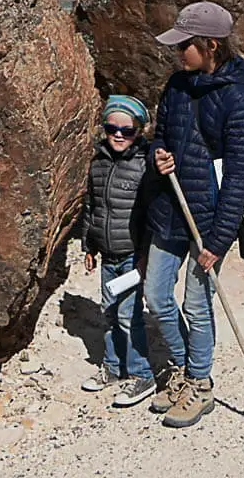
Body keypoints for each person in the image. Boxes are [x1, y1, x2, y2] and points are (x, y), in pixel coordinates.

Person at [143, 1, 244, 428]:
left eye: (185, 46)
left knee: (196, 303)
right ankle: (180, 368)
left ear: (211, 45)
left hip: (208, 219)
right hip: (170, 209)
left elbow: (239, 176)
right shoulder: (175, 86)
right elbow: (162, 138)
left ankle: (200, 383)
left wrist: (218, 239)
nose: (178, 54)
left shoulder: (238, 100)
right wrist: (159, 157)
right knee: (156, 296)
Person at [78, 94, 158, 407]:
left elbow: (152, 215)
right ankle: (113, 367)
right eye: (112, 128)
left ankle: (142, 374)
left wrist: (145, 254)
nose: (119, 135)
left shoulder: (144, 165)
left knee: (129, 316)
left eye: (127, 130)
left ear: (139, 131)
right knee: (109, 313)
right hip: (108, 254)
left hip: (131, 254)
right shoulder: (98, 163)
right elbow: (92, 206)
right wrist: (89, 244)